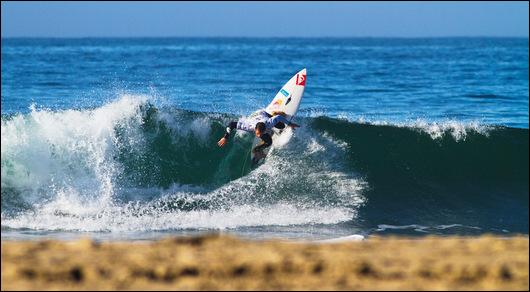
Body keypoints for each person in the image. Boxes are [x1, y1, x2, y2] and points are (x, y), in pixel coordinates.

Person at [217, 110, 300, 163]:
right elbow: (232, 124)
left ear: (265, 130)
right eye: (257, 133)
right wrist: (225, 137)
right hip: (255, 115)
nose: (258, 136)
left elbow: (278, 117)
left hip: (263, 115)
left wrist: (290, 124)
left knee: (281, 126)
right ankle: (257, 152)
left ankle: (273, 112)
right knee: (269, 141)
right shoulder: (249, 127)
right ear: (255, 129)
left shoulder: (269, 123)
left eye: (260, 134)